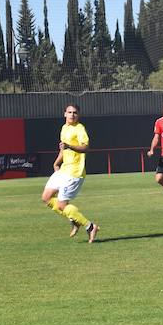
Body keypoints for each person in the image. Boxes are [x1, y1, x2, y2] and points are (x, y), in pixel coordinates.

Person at [40, 103, 99, 243]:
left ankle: (90, 226)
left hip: (74, 172)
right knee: (46, 197)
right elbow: (63, 149)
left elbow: (85, 147)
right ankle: (74, 218)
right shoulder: (64, 128)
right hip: (64, 169)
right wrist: (56, 163)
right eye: (70, 112)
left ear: (78, 115)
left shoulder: (79, 129)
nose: (72, 115)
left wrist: (70, 146)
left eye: (75, 113)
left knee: (61, 205)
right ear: (64, 114)